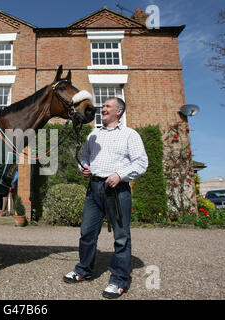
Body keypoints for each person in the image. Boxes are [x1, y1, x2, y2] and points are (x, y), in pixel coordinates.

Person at [63, 97, 148, 299]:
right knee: (87, 233)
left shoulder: (130, 135)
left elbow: (141, 163)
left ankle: (119, 279)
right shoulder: (94, 134)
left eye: (108, 106)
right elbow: (85, 157)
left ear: (119, 111)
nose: (103, 109)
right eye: (103, 106)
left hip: (117, 191)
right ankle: (83, 270)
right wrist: (84, 168)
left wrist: (120, 175)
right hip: (93, 189)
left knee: (121, 237)